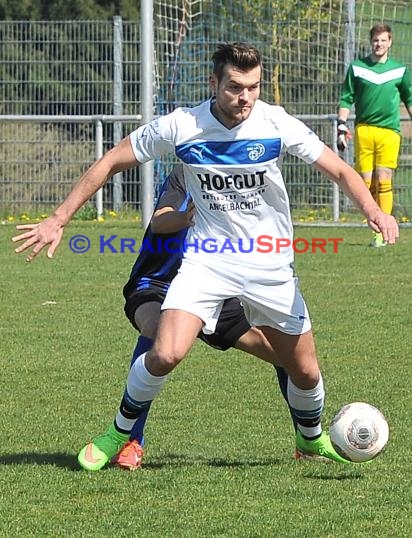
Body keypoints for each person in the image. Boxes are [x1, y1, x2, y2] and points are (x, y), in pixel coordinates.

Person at [13, 42, 398, 472]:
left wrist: (374, 211)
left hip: (270, 265)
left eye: (252, 87)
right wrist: (58, 218)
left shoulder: (276, 123)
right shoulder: (182, 126)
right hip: (208, 261)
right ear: (214, 83)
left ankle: (309, 440)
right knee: (166, 353)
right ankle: (119, 434)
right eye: (235, 87)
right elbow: (111, 161)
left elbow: (342, 170)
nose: (245, 97)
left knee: (306, 373)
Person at [115, 163, 297, 470]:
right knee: (159, 335)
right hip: (159, 285)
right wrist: (188, 217)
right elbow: (159, 223)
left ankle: (306, 440)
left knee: (288, 357)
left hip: (215, 291)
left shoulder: (251, 184)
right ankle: (130, 441)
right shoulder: (186, 172)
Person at [337, 22, 412, 247]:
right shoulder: (357, 68)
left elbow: (409, 99)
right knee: (366, 182)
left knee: (384, 179)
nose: (379, 44)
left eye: (383, 40)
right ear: (371, 42)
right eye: (375, 40)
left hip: (389, 132)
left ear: (390, 42)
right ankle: (374, 220)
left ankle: (382, 232)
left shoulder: (400, 70)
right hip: (364, 130)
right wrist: (341, 125)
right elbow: (346, 98)